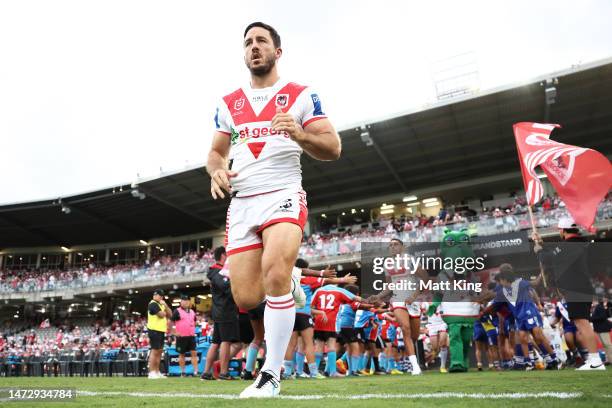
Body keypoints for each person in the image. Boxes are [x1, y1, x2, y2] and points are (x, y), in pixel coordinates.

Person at [206, 21, 341, 398]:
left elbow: (333, 147)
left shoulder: (300, 94)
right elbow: (216, 151)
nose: (254, 47)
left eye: (261, 41)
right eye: (248, 42)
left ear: (276, 52)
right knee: (247, 298)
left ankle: (271, 374)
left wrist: (299, 134)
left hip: (282, 192)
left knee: (277, 271)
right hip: (243, 202)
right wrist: (216, 170)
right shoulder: (228, 102)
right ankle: (287, 288)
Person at [533, 216, 606, 370]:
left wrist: (539, 250)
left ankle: (595, 361)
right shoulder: (578, 244)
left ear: (562, 230)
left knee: (583, 323)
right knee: (582, 323)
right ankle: (593, 359)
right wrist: (542, 244)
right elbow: (556, 254)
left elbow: (548, 258)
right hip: (582, 288)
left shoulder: (569, 245)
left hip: (576, 289)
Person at [201, 247, 239, 380]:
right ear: (223, 255)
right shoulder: (218, 271)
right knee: (225, 341)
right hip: (224, 310)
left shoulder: (216, 271)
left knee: (216, 342)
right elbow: (225, 287)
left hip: (220, 310)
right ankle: (223, 372)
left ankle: (206, 373)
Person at [147, 289, 171, 379]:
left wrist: (166, 306)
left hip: (161, 330)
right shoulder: (152, 303)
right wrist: (165, 312)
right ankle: (151, 372)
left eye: (158, 295)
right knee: (155, 350)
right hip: (154, 330)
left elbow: (170, 314)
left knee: (159, 351)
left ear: (161, 297)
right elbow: (161, 315)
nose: (156, 296)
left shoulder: (161, 304)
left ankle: (157, 371)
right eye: (155, 295)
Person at [172, 294, 198, 377]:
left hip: (191, 336)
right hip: (181, 337)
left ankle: (196, 372)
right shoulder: (177, 311)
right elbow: (170, 322)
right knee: (181, 354)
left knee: (194, 353)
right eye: (184, 300)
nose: (186, 302)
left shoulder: (192, 311)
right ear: (181, 302)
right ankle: (183, 372)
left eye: (187, 300)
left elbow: (194, 322)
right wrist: (174, 332)